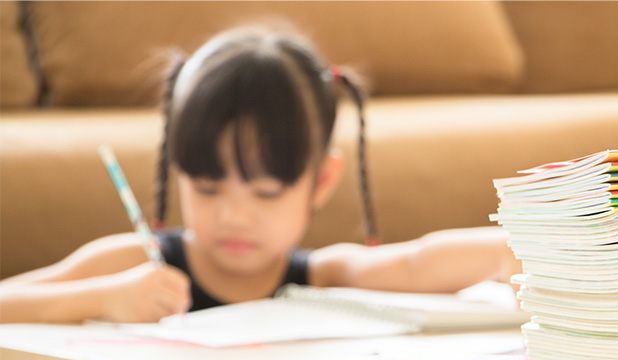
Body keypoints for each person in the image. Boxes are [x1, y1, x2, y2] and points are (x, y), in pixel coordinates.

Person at [0, 27, 520, 324]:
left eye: (267, 192)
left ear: (320, 182)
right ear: (178, 167)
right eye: (207, 186)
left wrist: (521, 247)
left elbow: (416, 262)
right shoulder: (135, 262)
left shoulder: (323, 277)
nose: (234, 214)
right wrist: (104, 297)